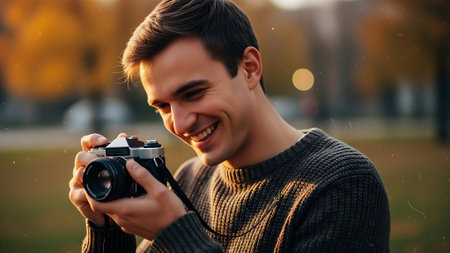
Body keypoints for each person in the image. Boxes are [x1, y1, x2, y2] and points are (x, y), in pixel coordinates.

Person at [69, 0, 390, 252]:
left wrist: (178, 237)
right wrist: (106, 229)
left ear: (250, 69)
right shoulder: (190, 179)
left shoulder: (341, 184)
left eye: (193, 93)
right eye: (163, 106)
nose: (179, 123)